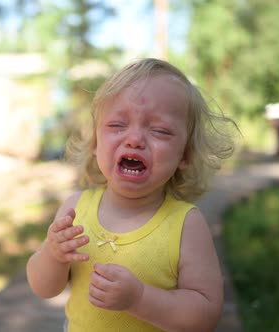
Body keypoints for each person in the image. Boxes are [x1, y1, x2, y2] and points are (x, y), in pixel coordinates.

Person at [26, 58, 238, 332]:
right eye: (116, 125)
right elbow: (43, 288)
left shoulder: (185, 224)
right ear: (95, 143)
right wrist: (53, 255)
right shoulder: (75, 210)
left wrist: (139, 298)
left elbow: (205, 315)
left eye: (159, 130)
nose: (135, 139)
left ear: (184, 155)